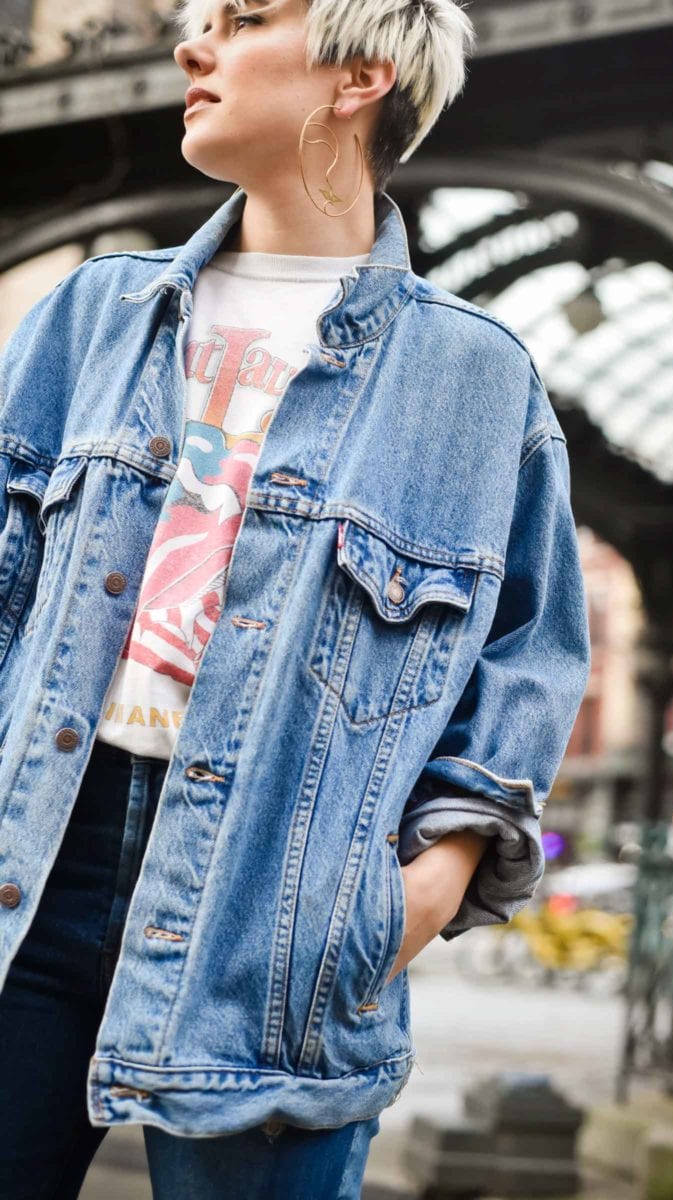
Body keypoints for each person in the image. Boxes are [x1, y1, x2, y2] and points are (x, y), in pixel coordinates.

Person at [0, 1, 592, 1196]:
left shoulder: (475, 380)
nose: (189, 44)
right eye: (191, 18)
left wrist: (411, 895)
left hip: (280, 920)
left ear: (360, 74)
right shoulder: (89, 317)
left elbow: (529, 659)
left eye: (242, 16)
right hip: (30, 874)